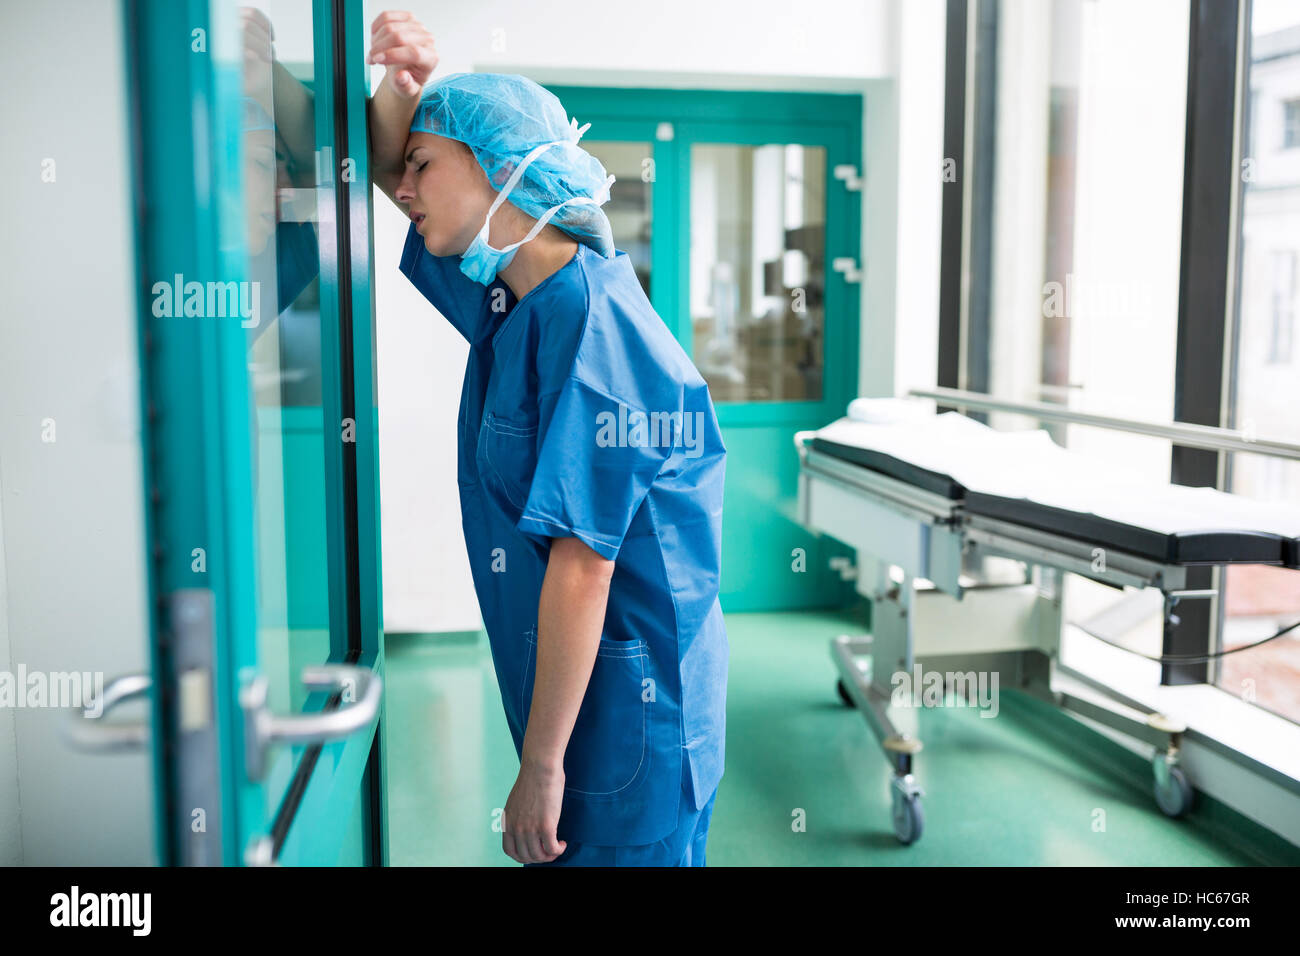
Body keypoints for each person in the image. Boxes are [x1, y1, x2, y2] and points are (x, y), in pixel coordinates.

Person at [366, 11, 728, 866]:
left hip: (632, 714)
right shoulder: (518, 298)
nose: (405, 188)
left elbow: (585, 562)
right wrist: (403, 90)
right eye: (409, 167)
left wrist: (539, 765)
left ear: (503, 172)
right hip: (589, 696)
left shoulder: (597, 329)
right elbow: (389, 172)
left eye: (425, 165)